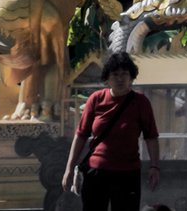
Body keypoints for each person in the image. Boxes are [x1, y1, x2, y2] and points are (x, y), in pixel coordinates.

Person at [67, 52, 160, 211]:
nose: (120, 78)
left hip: (127, 174)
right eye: (115, 74)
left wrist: (154, 166)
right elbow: (81, 135)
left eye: (124, 74)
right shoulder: (96, 99)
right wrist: (69, 169)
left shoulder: (141, 102)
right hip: (96, 172)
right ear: (107, 78)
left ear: (131, 77)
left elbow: (151, 137)